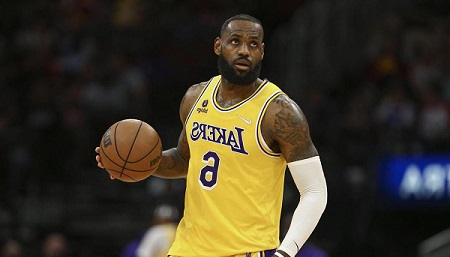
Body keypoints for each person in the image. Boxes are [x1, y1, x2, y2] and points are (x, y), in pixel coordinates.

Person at [95, 14, 327, 257]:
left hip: (241, 252)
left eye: (253, 44)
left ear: (262, 51)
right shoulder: (195, 97)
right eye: (235, 41)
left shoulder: (279, 112)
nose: (244, 51)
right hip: (186, 249)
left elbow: (315, 191)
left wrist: (286, 252)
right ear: (218, 45)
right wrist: (134, 163)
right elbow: (185, 160)